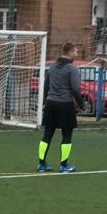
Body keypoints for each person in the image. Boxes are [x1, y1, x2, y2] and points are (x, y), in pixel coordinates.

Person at [37, 41, 82, 173]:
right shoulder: (72, 69)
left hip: (51, 103)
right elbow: (75, 89)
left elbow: (46, 87)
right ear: (70, 52)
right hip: (65, 104)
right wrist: (81, 104)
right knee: (67, 135)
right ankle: (64, 165)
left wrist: (46, 102)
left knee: (47, 135)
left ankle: (41, 164)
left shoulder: (52, 67)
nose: (77, 54)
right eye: (76, 51)